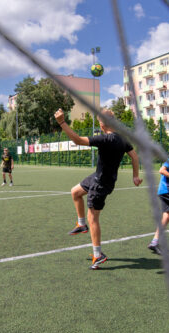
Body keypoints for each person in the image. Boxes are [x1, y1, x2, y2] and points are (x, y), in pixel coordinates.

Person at [54, 107, 142, 269]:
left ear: (102, 125)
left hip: (100, 184)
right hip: (100, 178)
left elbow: (78, 140)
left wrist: (62, 123)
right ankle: (81, 225)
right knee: (75, 192)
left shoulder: (105, 139)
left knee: (93, 218)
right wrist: (135, 176)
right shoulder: (122, 140)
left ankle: (98, 255)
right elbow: (135, 157)